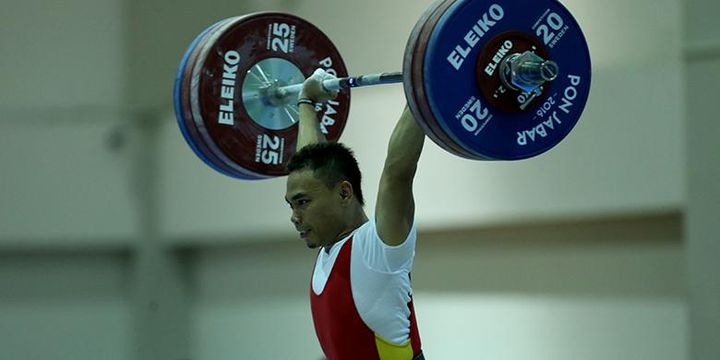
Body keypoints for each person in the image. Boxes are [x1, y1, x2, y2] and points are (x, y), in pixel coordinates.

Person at [284, 69, 426, 360]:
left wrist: (423, 85)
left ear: (345, 193)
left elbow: (397, 172)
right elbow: (313, 164)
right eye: (292, 205)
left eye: (302, 203)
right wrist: (306, 101)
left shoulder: (378, 251)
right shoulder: (329, 250)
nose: (295, 216)